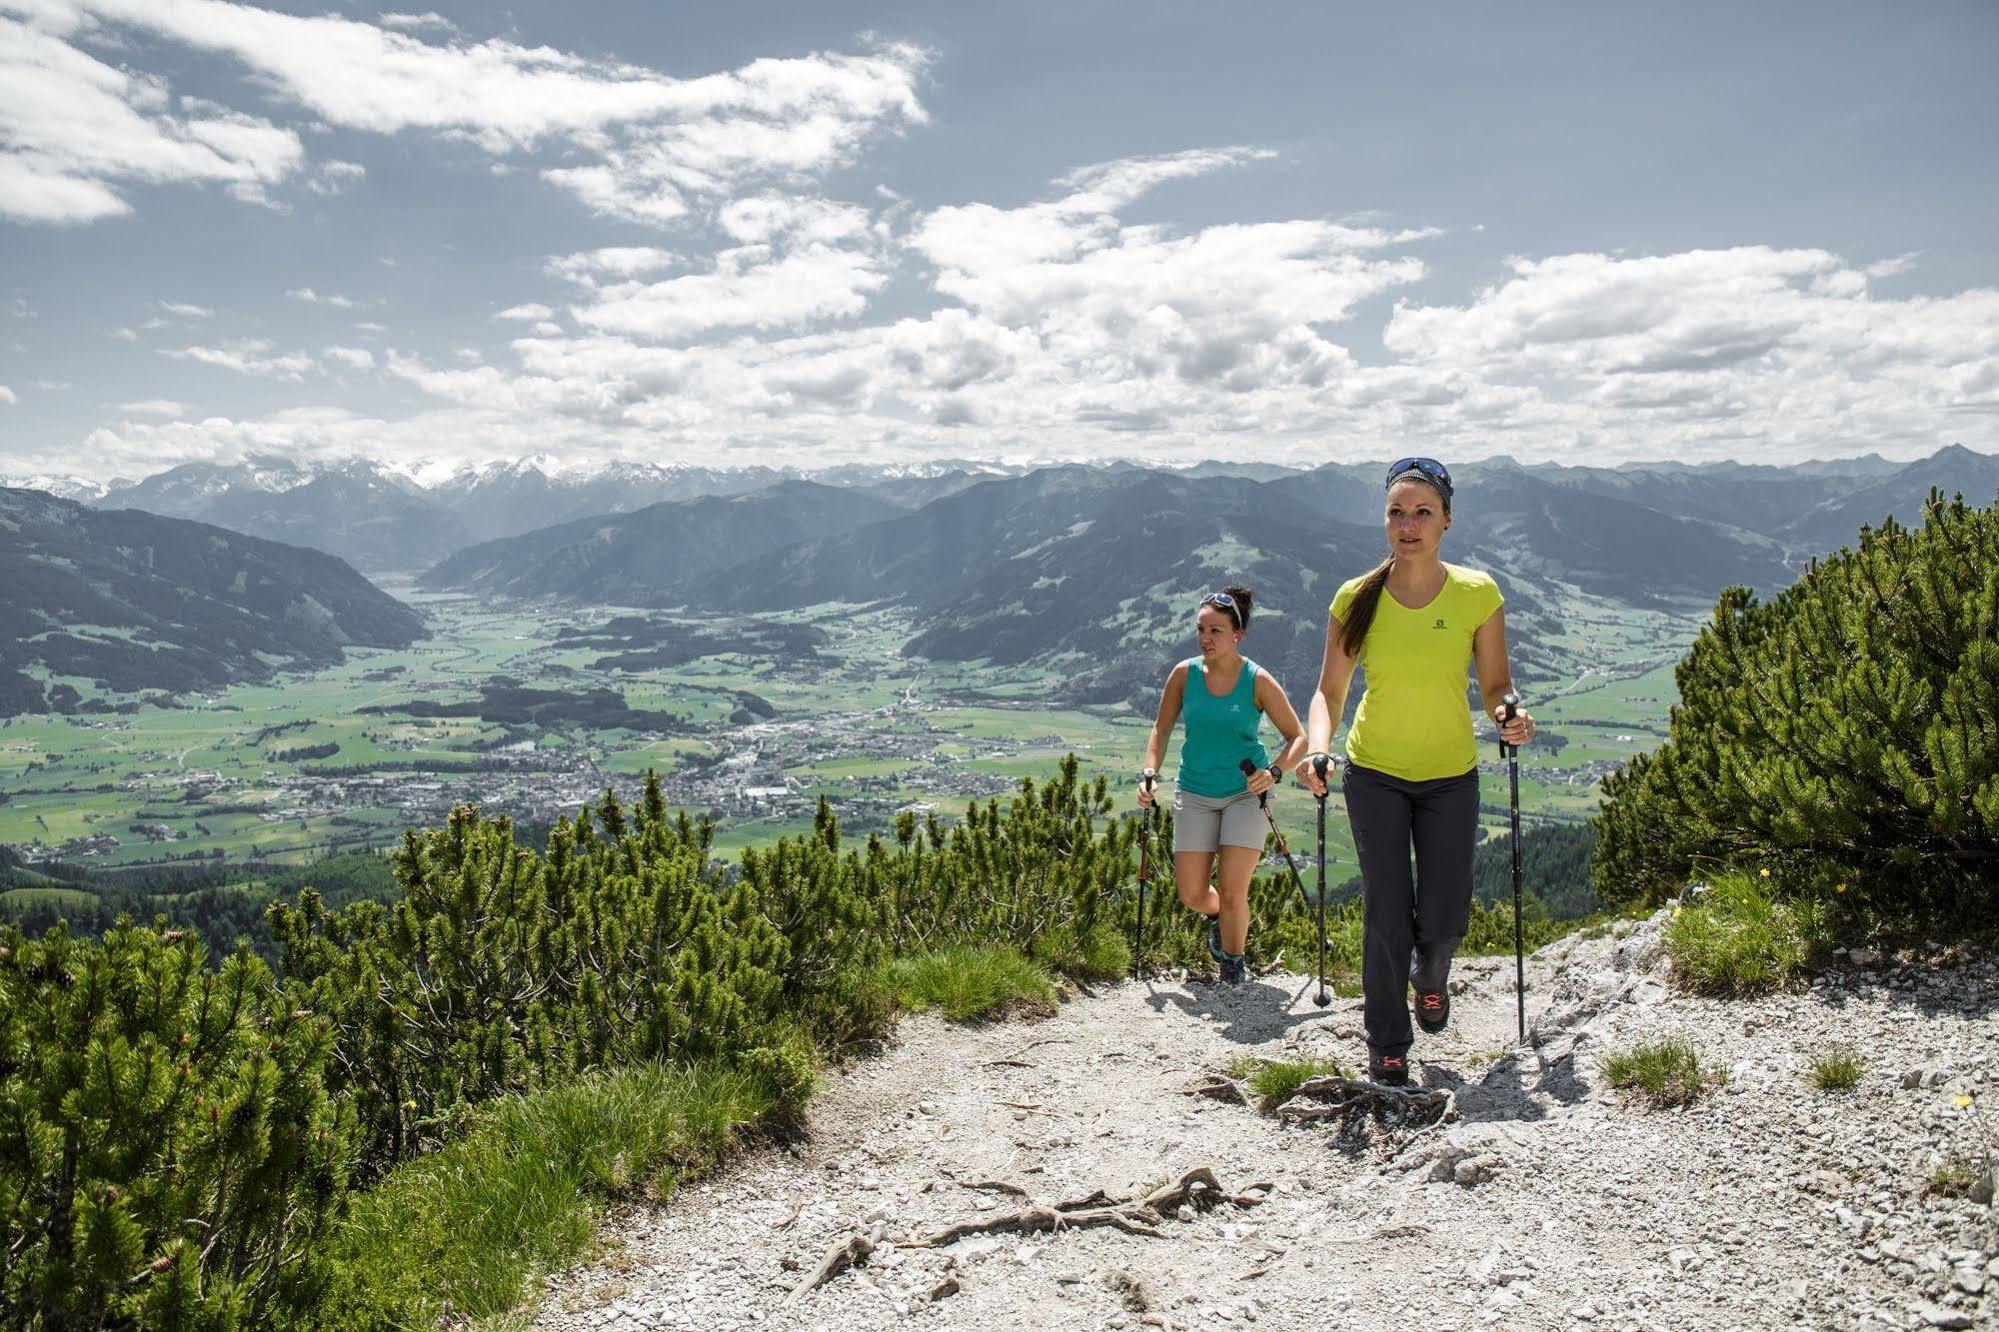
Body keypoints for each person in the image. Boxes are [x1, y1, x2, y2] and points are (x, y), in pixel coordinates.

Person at [1296, 458, 1534, 1084]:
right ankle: (1387, 1043)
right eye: (1397, 512)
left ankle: (1431, 978)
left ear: (1447, 521)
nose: (1408, 524)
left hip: (1452, 775)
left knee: (1447, 917)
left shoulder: (1478, 595)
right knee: (1388, 914)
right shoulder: (1357, 598)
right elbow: (1329, 693)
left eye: (1422, 511)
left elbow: (1496, 685)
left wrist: (1511, 714)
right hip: (1374, 772)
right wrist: (1317, 748)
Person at [1138, 585, 1307, 985]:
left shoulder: (1257, 680)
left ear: (1238, 635)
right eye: (1201, 629)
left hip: (1245, 795)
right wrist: (1150, 772)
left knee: (1234, 890)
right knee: (1193, 895)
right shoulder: (1184, 674)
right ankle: (1216, 917)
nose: (1205, 638)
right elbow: (1161, 730)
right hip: (1194, 791)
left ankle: (1233, 962)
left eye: (1215, 630)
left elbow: (1297, 737)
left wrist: (1275, 772)